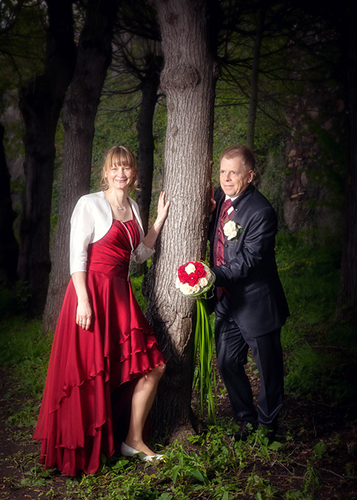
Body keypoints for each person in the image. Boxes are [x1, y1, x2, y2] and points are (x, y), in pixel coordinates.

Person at [34, 145, 169, 476]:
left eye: (126, 168)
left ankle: (133, 440)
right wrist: (82, 299)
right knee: (88, 373)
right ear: (105, 172)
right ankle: (84, 450)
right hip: (90, 294)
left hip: (120, 297)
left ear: (133, 173)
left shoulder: (135, 208)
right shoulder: (89, 204)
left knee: (154, 366)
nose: (121, 174)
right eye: (114, 168)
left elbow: (137, 255)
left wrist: (159, 220)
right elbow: (77, 255)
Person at [209, 144, 289, 441]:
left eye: (234, 173)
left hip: (256, 303)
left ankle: (268, 426)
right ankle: (246, 420)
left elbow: (249, 261)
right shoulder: (218, 199)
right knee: (227, 362)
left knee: (268, 370)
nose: (226, 178)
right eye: (222, 172)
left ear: (250, 176)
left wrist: (209, 276)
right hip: (227, 302)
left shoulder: (262, 212)